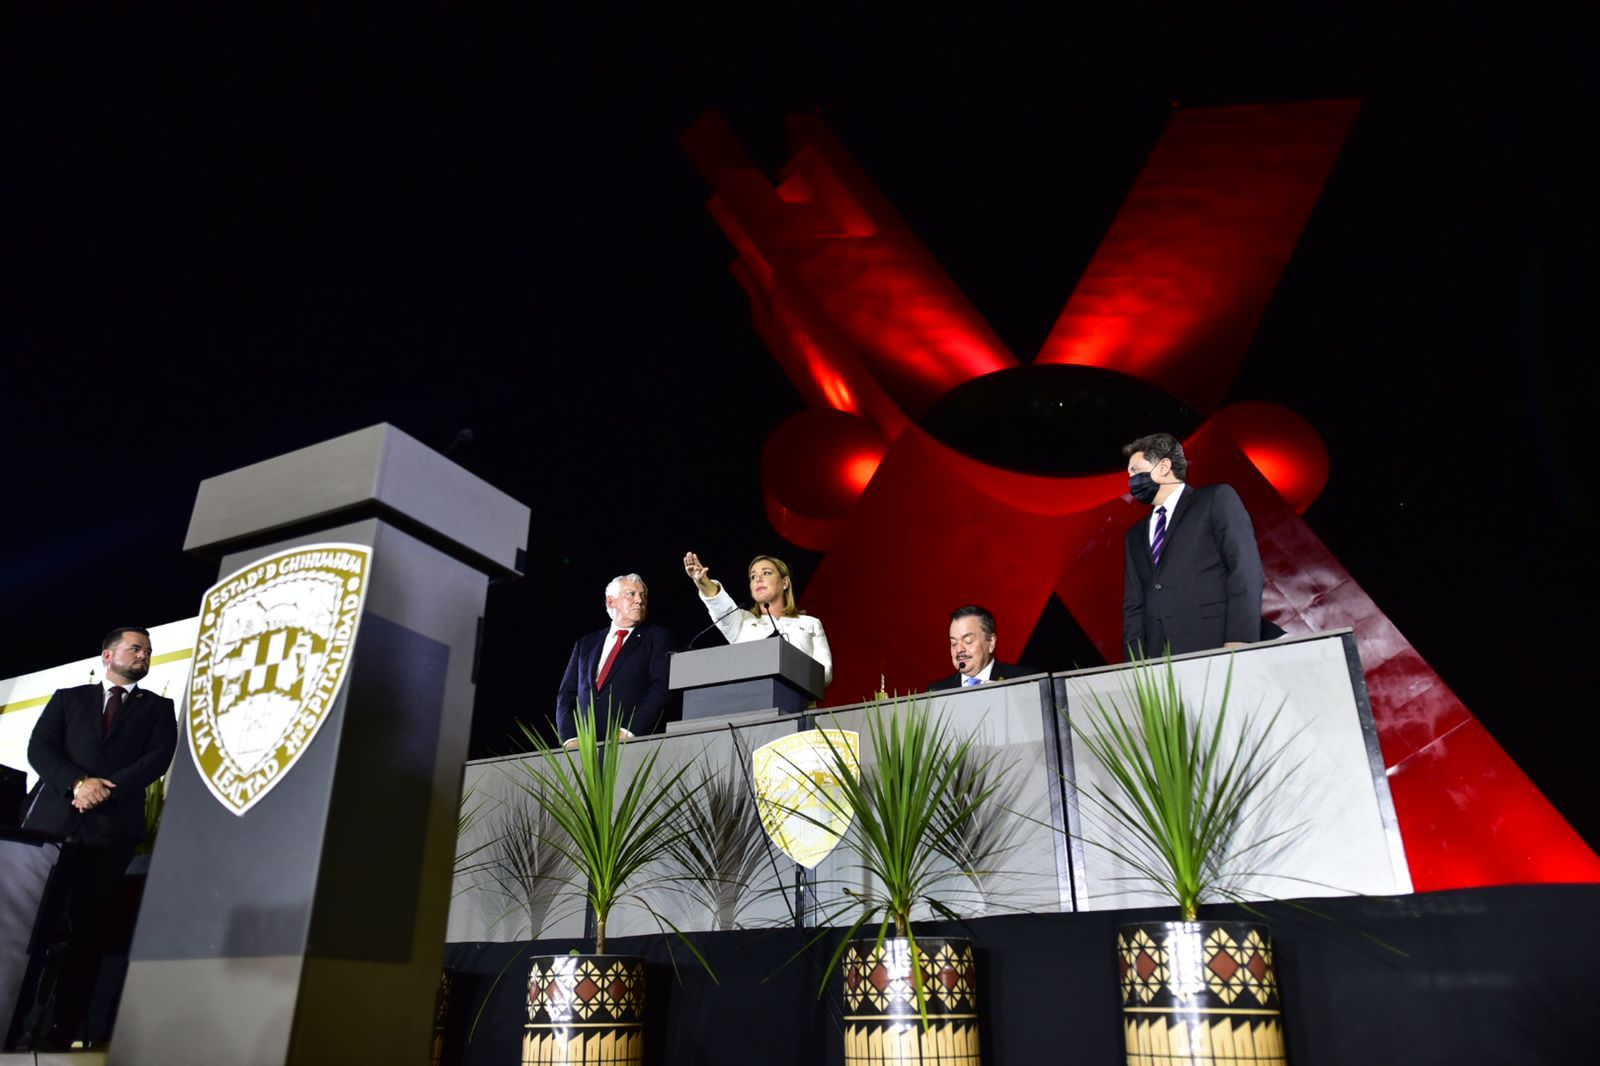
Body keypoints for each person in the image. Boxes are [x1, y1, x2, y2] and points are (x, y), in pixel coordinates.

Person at [22, 626, 178, 1050]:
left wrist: (104, 789)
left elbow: (157, 759)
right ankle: (19, 1022)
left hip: (111, 836)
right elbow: (40, 749)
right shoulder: (68, 699)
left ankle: (62, 1034)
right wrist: (77, 784)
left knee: (87, 936)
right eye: (136, 648)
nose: (144, 655)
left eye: (148, 651)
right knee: (35, 928)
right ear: (108, 655)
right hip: (54, 830)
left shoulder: (158, 708)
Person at [1122, 432, 1265, 659]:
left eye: (1135, 470)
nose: (1130, 479)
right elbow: (1134, 603)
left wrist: (1241, 639)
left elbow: (1244, 569)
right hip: (1157, 658)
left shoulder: (1215, 499)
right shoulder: (1135, 534)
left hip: (1213, 644)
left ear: (1164, 467)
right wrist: (1135, 662)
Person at [682, 551, 833, 687]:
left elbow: (825, 673)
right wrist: (703, 582)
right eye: (753, 576)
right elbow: (721, 606)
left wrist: (790, 669)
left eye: (766, 573)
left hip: (798, 704)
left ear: (785, 582)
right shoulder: (741, 621)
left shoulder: (810, 623)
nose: (758, 579)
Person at [555, 573, 675, 743]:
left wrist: (629, 731)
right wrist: (570, 738)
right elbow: (566, 694)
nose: (639, 600)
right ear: (611, 602)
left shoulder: (657, 637)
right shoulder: (586, 644)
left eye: (643, 595)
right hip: (584, 746)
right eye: (631, 594)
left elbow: (661, 687)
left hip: (629, 743)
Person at [929, 605, 1033, 690]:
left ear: (991, 642)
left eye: (968, 641)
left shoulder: (1024, 682)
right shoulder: (936, 692)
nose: (959, 649)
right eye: (954, 643)